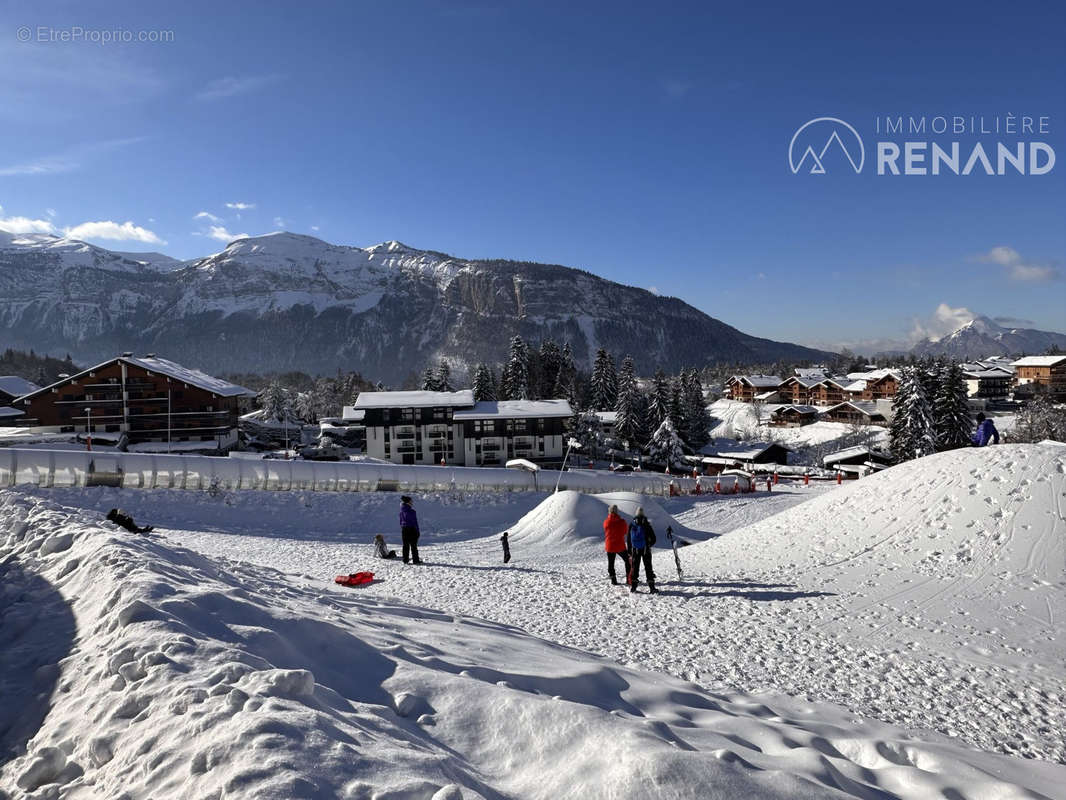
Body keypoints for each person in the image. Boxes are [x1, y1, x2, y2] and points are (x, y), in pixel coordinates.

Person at [626, 507, 657, 593]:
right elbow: (654, 539)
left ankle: (634, 587)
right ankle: (652, 588)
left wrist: (629, 550)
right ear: (643, 514)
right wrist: (648, 545)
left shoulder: (632, 524)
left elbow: (629, 539)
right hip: (645, 549)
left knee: (635, 567)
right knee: (648, 567)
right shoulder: (647, 524)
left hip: (635, 549)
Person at [602, 505, 630, 585]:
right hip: (620, 545)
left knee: (611, 563)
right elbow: (625, 532)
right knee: (627, 561)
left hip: (610, 545)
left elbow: (606, 530)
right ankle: (629, 579)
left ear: (609, 512)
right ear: (617, 511)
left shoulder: (606, 522)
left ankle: (613, 580)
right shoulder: (622, 522)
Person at [399, 495, 422, 564]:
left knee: (405, 545)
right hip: (412, 529)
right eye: (411, 501)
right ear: (408, 502)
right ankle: (415, 560)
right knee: (413, 546)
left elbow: (400, 522)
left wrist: (403, 528)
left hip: (404, 529)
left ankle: (405, 560)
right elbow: (415, 522)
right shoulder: (412, 511)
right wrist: (417, 531)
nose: (412, 502)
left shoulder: (401, 512)